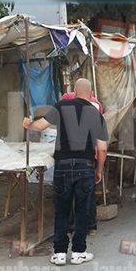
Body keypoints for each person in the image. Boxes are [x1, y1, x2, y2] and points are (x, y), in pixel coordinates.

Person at [23, 78, 108, 266]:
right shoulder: (96, 114)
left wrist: (28, 123)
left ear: (74, 91)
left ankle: (60, 253)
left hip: (62, 165)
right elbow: (102, 149)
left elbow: (39, 126)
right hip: (85, 166)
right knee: (82, 210)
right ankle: (78, 252)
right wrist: (99, 170)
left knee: (61, 209)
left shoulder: (62, 106)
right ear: (91, 93)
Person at [61, 91, 103, 235]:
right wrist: (99, 169)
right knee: (88, 193)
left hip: (67, 157)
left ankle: (71, 226)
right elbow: (101, 145)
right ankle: (91, 226)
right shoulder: (96, 105)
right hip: (89, 157)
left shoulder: (65, 101)